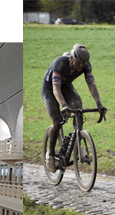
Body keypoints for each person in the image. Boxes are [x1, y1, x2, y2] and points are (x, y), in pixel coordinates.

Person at [42, 44, 107, 172]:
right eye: (78, 63)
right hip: (50, 89)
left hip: (66, 87)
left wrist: (99, 103)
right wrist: (64, 105)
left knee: (78, 108)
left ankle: (77, 140)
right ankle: (50, 155)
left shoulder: (85, 65)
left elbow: (91, 84)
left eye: (83, 64)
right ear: (71, 59)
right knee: (57, 121)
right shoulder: (59, 64)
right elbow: (56, 89)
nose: (81, 66)